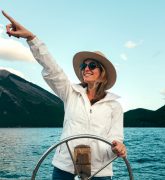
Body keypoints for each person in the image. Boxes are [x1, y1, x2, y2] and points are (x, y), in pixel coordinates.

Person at [2, 11, 127, 180]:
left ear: (102, 73)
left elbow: (116, 137)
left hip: (99, 171)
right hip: (65, 168)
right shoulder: (70, 93)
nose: (86, 68)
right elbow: (52, 69)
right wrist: (31, 38)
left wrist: (118, 146)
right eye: (84, 65)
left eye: (92, 65)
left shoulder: (114, 106)